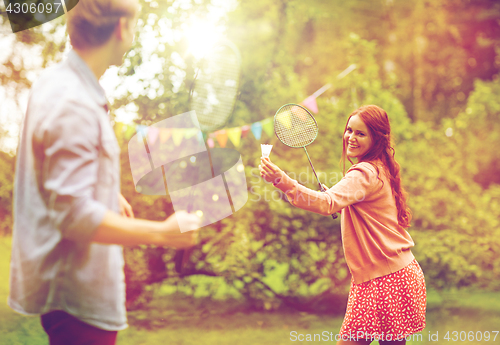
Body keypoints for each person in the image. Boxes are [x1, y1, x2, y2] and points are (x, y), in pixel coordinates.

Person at [9, 0, 201, 344]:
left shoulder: (58, 83)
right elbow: (75, 217)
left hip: (66, 294)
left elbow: (56, 171)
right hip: (78, 299)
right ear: (120, 28)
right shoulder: (74, 102)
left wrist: (105, 189)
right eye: (134, 25)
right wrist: (163, 232)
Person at [259, 105, 426, 345]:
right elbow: (339, 201)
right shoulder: (379, 168)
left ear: (376, 138)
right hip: (399, 274)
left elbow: (326, 203)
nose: (351, 137)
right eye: (349, 130)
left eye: (361, 133)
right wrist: (335, 200)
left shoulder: (363, 173)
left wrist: (281, 180)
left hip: (383, 280)